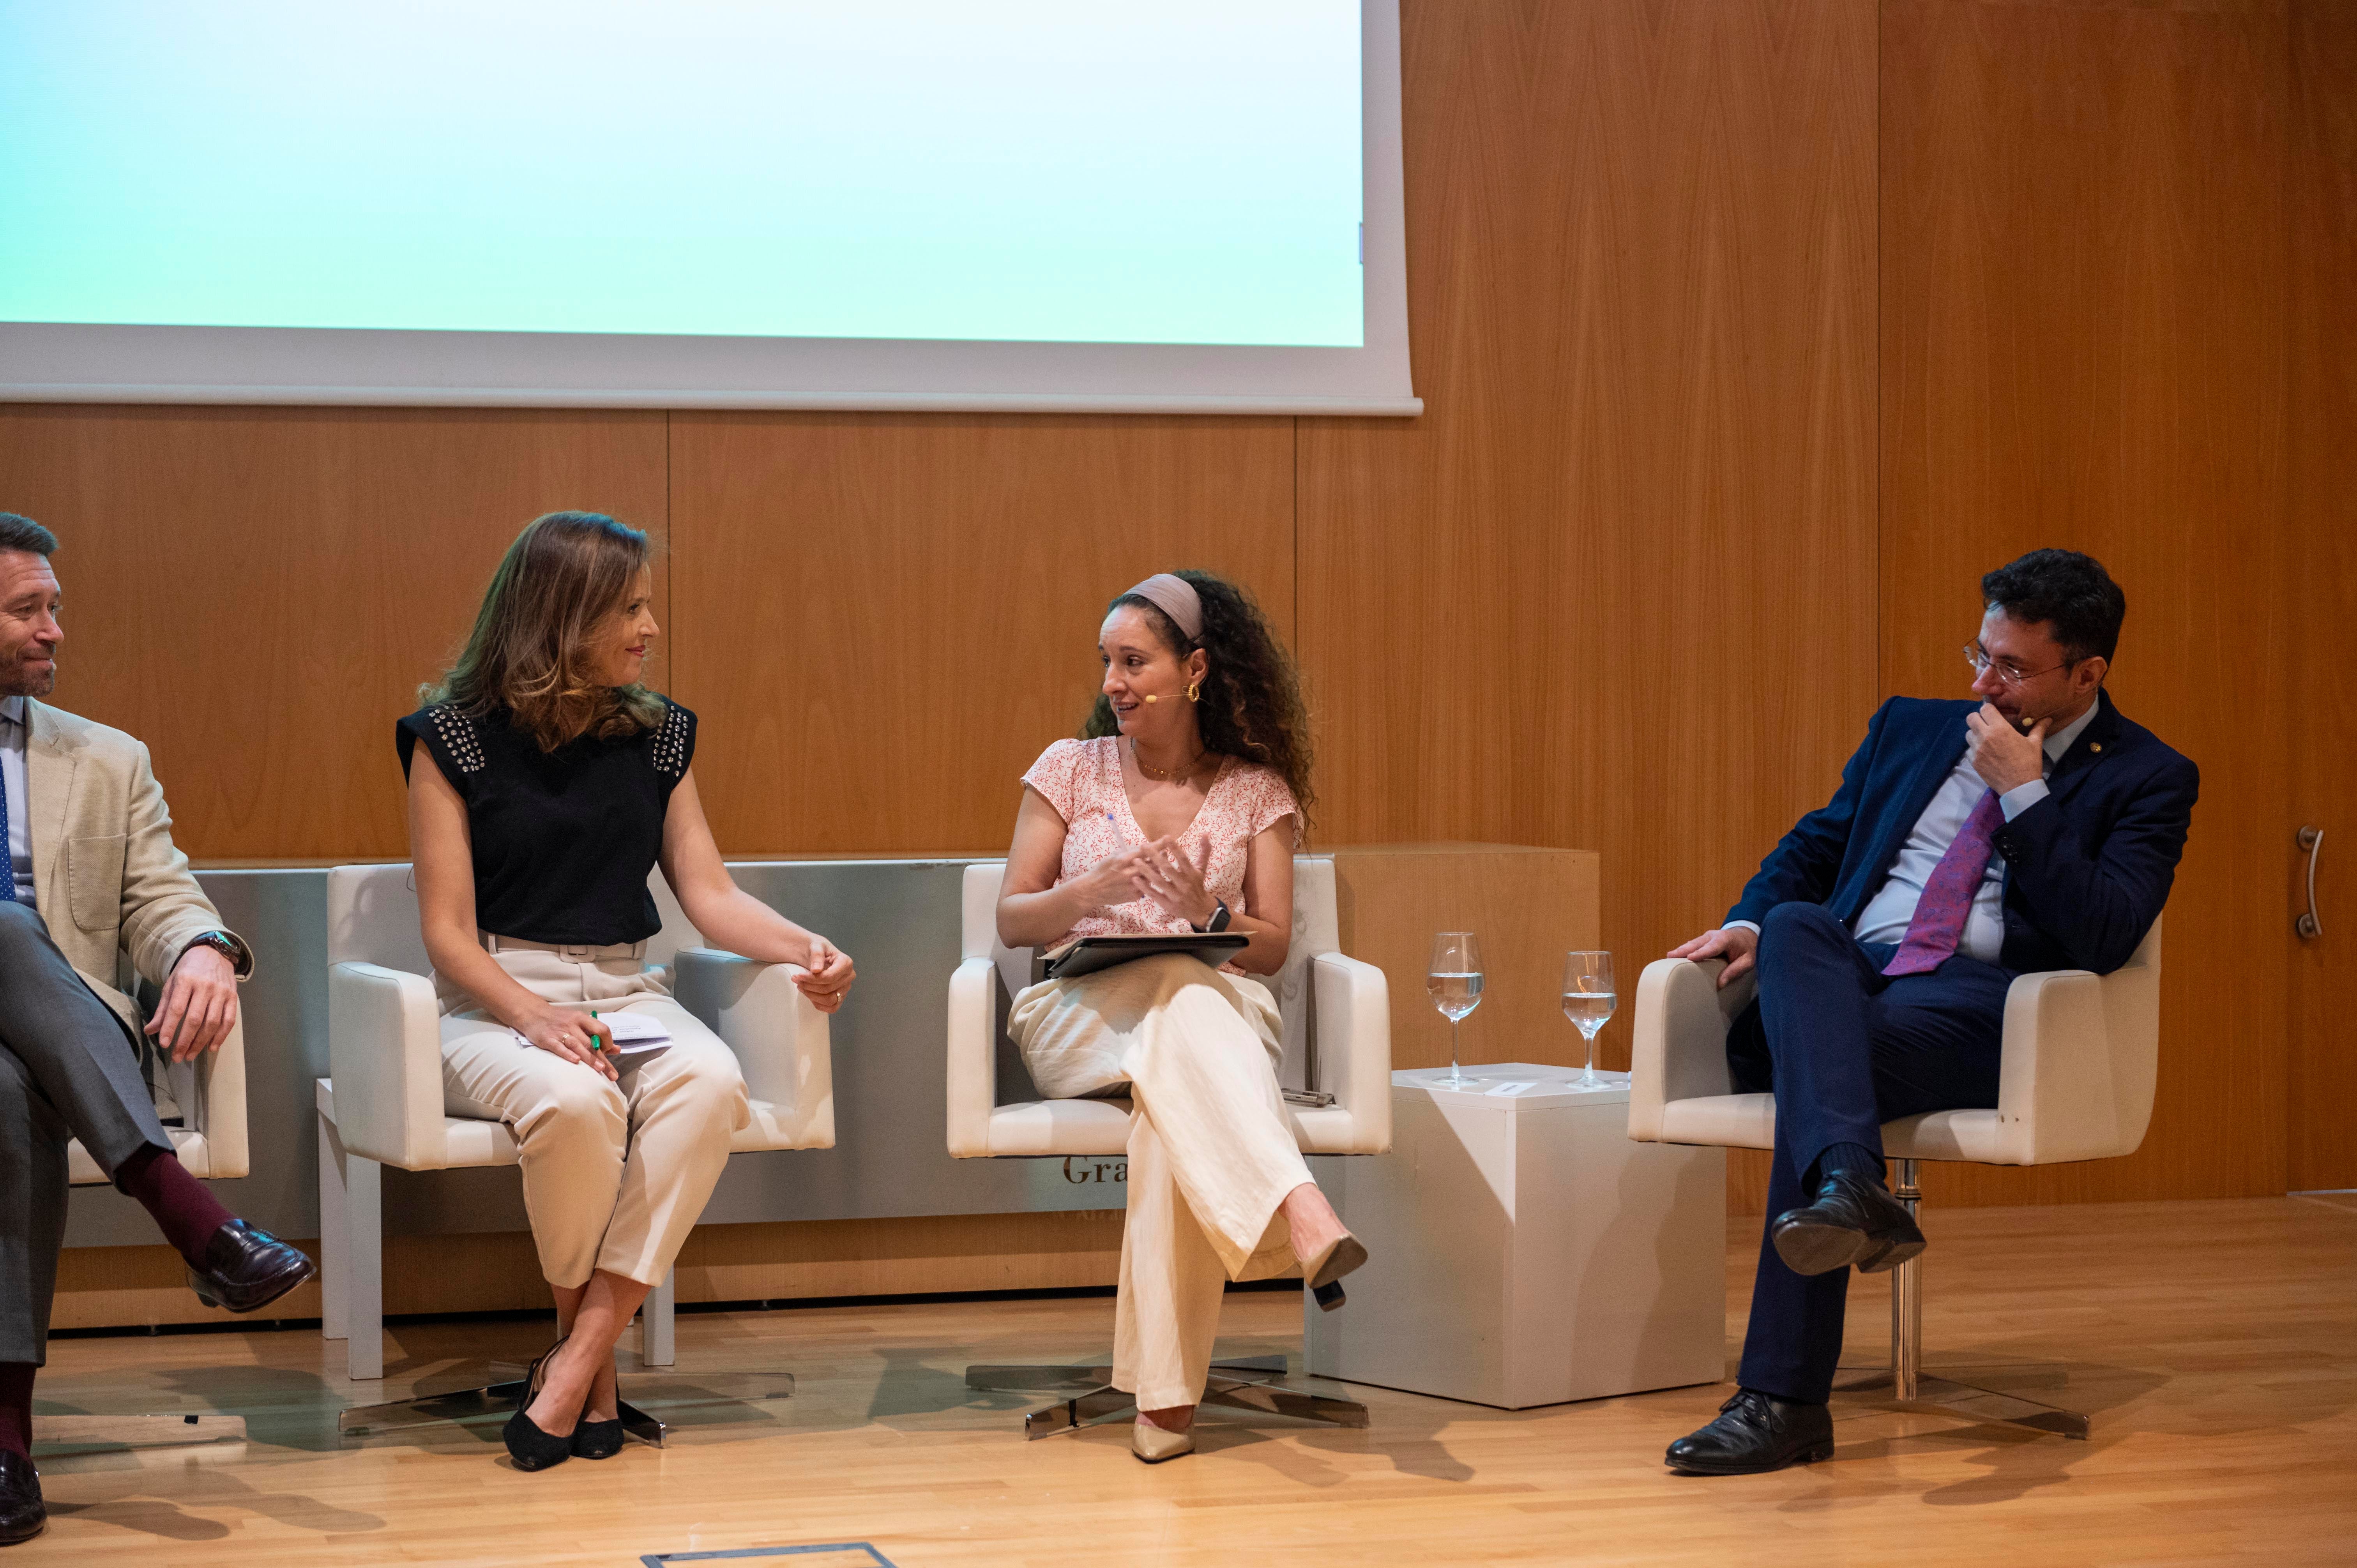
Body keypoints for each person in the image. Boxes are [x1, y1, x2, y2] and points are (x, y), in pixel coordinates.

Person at [1660, 549, 2198, 1474]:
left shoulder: (2149, 776)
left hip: (1982, 1006)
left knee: (1819, 1083)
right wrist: (1746, 921)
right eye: (1979, 655)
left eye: (2014, 668)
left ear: (2089, 673)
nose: (1985, 684)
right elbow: (1818, 843)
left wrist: (2023, 792)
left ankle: (1785, 1390)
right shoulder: (1913, 727)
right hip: (1848, 980)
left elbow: (2106, 932)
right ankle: (1853, 1193)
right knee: (1794, 922)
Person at [400, 510, 854, 1472]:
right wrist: (535, 1014)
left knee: (710, 1080)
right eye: (631, 608)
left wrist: (806, 945)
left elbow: (710, 894)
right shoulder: (452, 738)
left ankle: (576, 1358)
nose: (651, 627)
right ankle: (592, 1377)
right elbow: (444, 932)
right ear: (562, 617)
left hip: (625, 984)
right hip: (497, 989)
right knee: (574, 1100)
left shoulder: (659, 735)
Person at [995, 570, 1365, 1464]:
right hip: (1078, 1010)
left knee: (1176, 1059)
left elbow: (1271, 946)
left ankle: (1166, 1406)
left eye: (1135, 662)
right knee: (1176, 992)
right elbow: (1012, 918)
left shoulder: (1255, 789)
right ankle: (1296, 1207)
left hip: (1210, 1013)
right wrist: (1090, 890)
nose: (1114, 682)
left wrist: (1206, 913)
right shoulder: (1068, 767)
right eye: (1108, 663)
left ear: (1195, 668)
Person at [0, 512, 314, 1545]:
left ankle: (4, 1448)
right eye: (27, 610)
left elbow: (164, 896)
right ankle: (192, 1218)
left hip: (66, 1047)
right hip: (63, 1071)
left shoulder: (107, 760)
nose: (54, 632)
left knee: (6, 1084)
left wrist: (201, 949)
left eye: (55, 609)